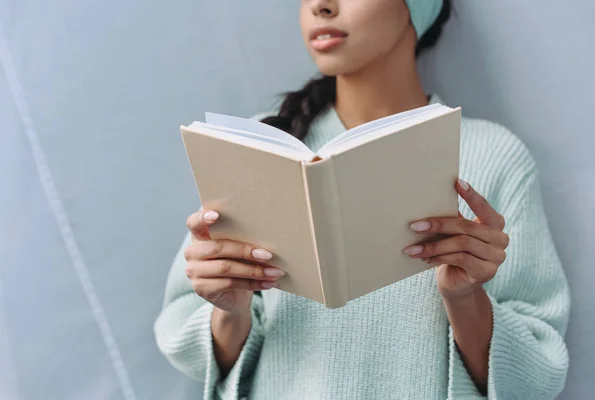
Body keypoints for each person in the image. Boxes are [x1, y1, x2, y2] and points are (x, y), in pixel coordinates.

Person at [154, 1, 570, 399]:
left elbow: (537, 376)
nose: (321, 5)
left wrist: (464, 298)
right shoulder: (259, 145)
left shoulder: (494, 155)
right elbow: (183, 337)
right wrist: (231, 310)